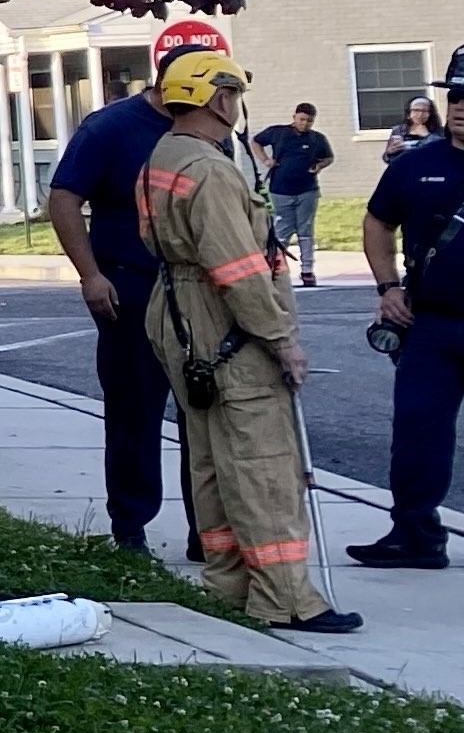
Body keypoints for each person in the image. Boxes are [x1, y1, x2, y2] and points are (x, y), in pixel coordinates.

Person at [140, 50, 362, 633]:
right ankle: (287, 599)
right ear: (219, 99)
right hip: (225, 326)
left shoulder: (163, 156)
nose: (237, 106)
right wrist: (282, 339)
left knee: (212, 455)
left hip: (178, 314)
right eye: (234, 96)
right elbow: (237, 269)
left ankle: (229, 583)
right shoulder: (211, 170)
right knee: (262, 461)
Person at [49, 44, 205, 561]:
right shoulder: (111, 128)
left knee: (203, 414)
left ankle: (207, 531)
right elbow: (64, 197)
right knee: (135, 412)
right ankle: (132, 528)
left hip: (199, 294)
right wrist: (90, 274)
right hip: (131, 288)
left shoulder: (210, 134)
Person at [348, 46, 464, 570]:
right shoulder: (418, 164)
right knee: (417, 433)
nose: (460, 106)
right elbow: (377, 221)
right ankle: (415, 534)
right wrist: (387, 286)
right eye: (455, 96)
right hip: (431, 323)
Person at [254, 104, 335, 287]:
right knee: (282, 230)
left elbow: (329, 157)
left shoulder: (317, 139)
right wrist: (266, 160)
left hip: (307, 190)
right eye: (302, 119)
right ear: (294, 117)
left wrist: (319, 166)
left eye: (309, 121)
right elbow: (256, 141)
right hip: (280, 189)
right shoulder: (278, 133)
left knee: (305, 230)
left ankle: (307, 270)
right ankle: (276, 268)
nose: (305, 124)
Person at [384, 96, 441, 164]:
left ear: (430, 114)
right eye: (416, 110)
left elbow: (440, 155)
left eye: (425, 111)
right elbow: (388, 159)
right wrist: (389, 153)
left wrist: (427, 136)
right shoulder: (399, 130)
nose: (420, 115)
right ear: (409, 113)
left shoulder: (439, 132)